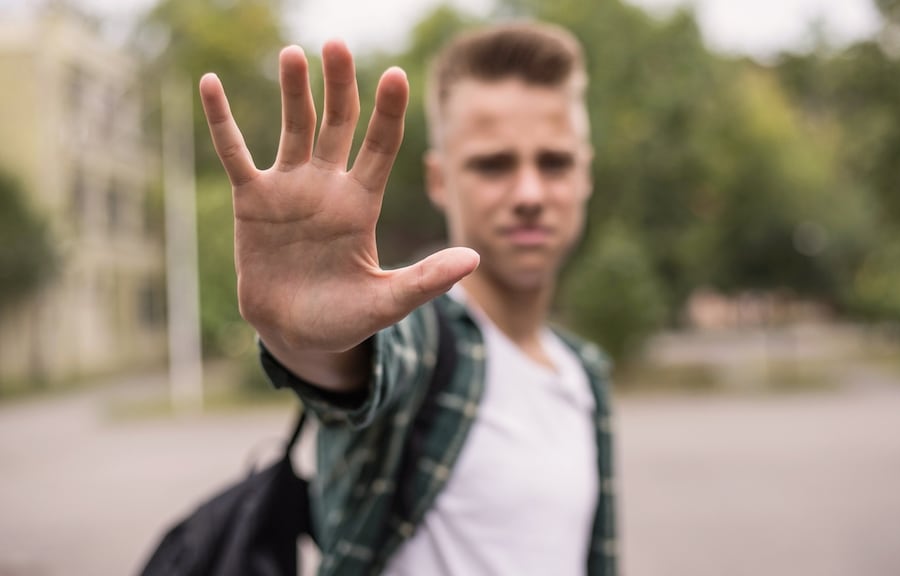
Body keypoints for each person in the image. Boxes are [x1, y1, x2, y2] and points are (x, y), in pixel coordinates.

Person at [198, 22, 616, 576]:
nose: (530, 194)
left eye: (555, 163)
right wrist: (306, 341)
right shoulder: (424, 338)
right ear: (439, 181)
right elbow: (361, 368)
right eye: (493, 164)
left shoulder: (584, 374)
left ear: (585, 173)